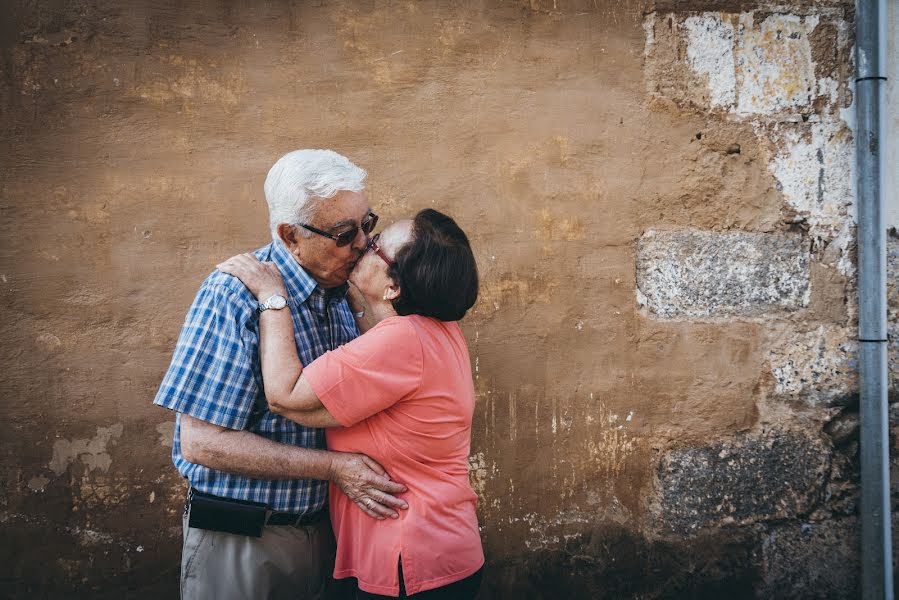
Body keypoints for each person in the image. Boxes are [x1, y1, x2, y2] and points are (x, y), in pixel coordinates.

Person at [153, 149, 408, 600]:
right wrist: (333, 468)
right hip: (245, 541)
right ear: (290, 236)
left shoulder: (344, 290)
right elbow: (200, 442)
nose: (363, 245)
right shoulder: (234, 295)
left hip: (326, 537)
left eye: (366, 225)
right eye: (344, 234)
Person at [216, 208, 484, 599]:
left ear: (394, 287)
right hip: (437, 549)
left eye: (377, 246)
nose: (363, 245)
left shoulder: (401, 342)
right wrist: (359, 303)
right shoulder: (436, 332)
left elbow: (285, 395)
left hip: (410, 558)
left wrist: (273, 299)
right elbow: (381, 372)